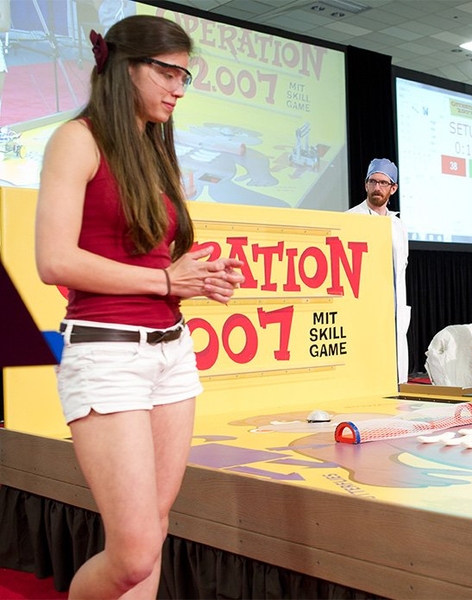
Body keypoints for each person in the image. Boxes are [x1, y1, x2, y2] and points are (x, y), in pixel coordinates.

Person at [34, 15, 244, 598]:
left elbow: (156, 261)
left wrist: (199, 278)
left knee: (156, 527)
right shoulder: (76, 139)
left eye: (185, 75)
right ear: (124, 67)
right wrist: (166, 284)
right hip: (105, 354)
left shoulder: (155, 149)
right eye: (167, 71)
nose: (178, 87)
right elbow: (54, 261)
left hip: (172, 354)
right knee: (132, 553)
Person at [347, 158, 410, 383]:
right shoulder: (351, 219)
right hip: (365, 306)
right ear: (365, 185)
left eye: (383, 183)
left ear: (393, 188)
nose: (377, 188)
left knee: (394, 369)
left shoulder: (398, 225)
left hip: (393, 307)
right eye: (372, 182)